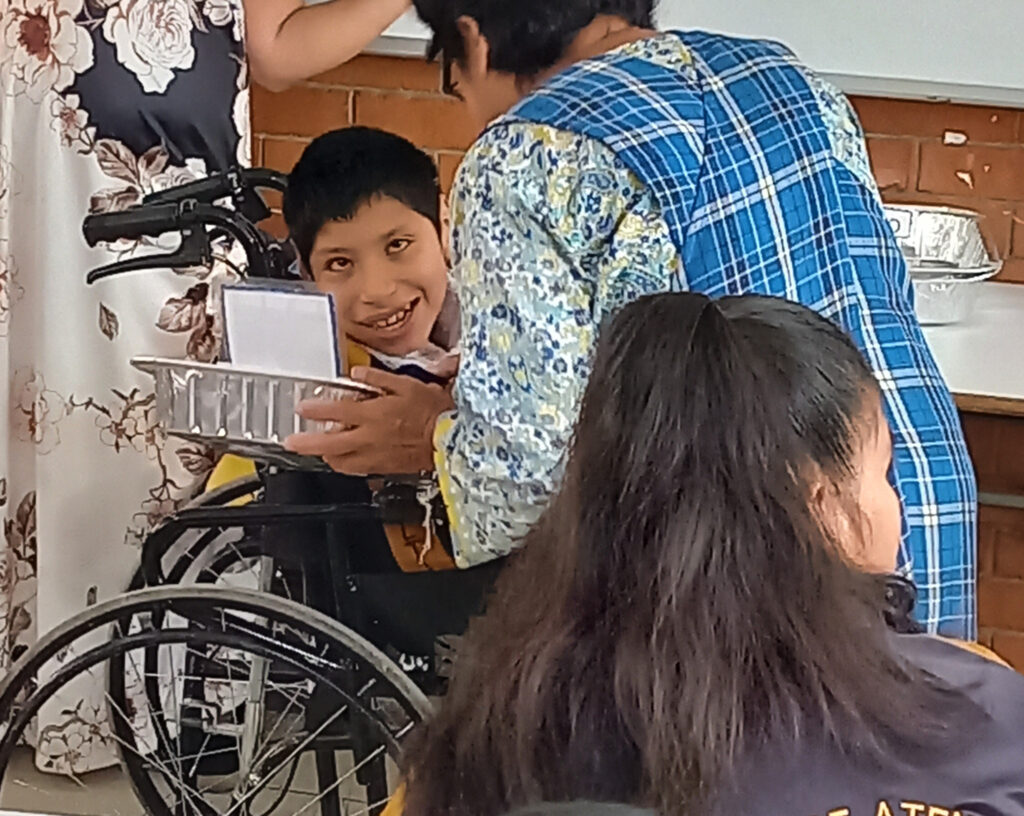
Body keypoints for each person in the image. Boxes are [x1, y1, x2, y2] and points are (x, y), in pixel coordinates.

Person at [293, 0, 978, 638]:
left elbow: (520, 478)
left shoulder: (526, 151)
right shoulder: (790, 79)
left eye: (458, 88)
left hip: (758, 574)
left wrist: (429, 434)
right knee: (921, 756)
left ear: (471, 38)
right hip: (917, 497)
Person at [399, 292, 1024, 816]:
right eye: (883, 474)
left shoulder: (497, 721)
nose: (896, 505)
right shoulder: (973, 718)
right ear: (823, 503)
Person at [0, 0, 408, 775]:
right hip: (27, 153)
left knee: (148, 456)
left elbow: (276, 46)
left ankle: (128, 712)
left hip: (150, 187)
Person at [212, 126, 461, 572]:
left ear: (444, 225)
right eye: (340, 264)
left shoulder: (490, 331)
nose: (377, 290)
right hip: (366, 580)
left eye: (398, 246)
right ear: (306, 271)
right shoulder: (315, 369)